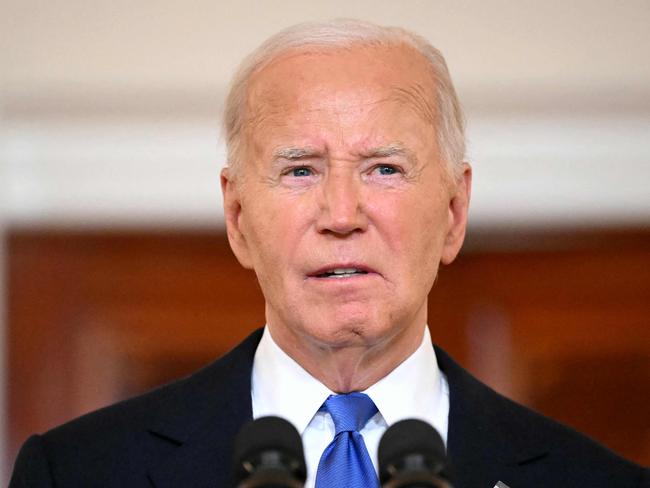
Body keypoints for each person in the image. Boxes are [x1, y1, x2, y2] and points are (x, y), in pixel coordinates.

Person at [10, 19, 648, 488]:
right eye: (299, 172)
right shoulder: (76, 473)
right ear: (237, 218)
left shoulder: (594, 481)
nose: (341, 216)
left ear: (454, 213)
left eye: (385, 169)